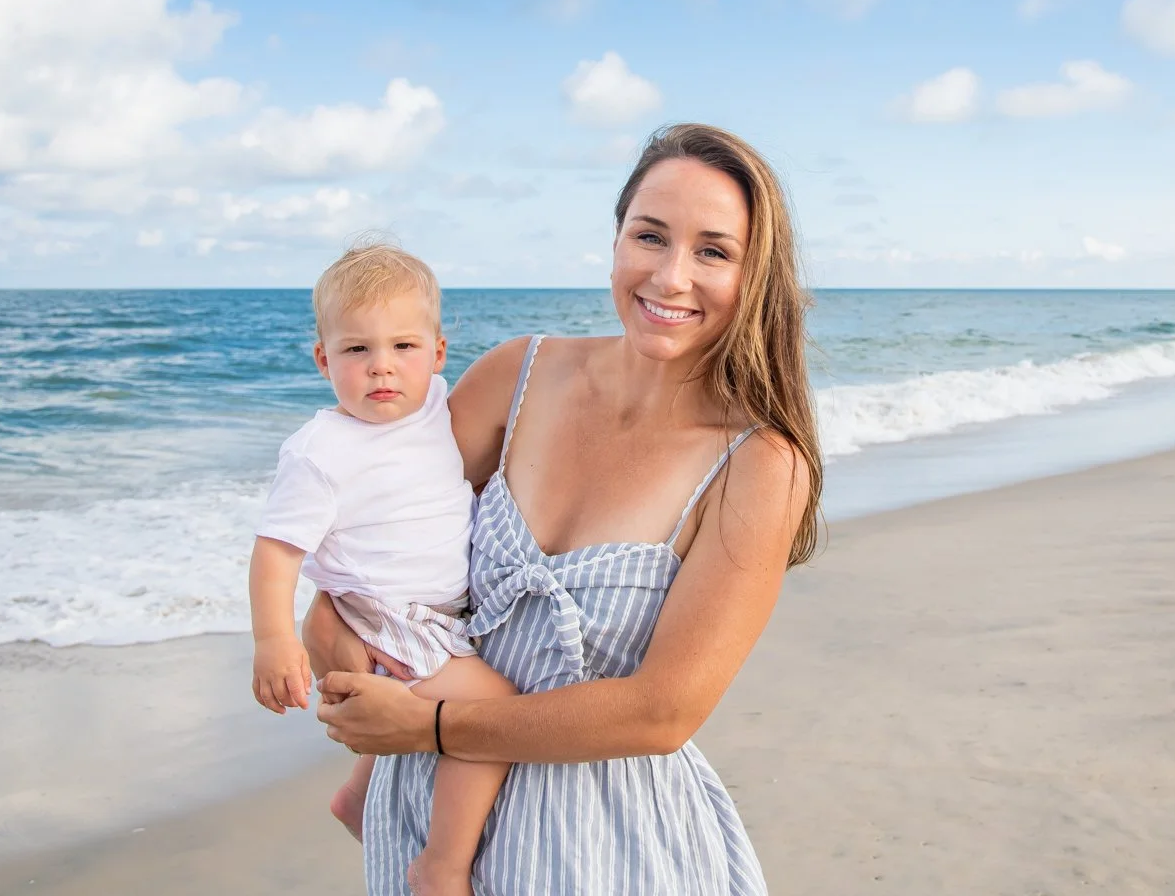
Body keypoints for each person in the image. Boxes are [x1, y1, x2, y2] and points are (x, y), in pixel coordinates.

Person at [304, 123, 826, 894]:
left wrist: (428, 725)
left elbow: (662, 713)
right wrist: (329, 636)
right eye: (650, 236)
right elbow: (377, 532)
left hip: (602, 844)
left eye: (713, 251)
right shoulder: (518, 376)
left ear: (755, 277)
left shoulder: (758, 465)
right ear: (616, 241)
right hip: (429, 826)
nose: (671, 277)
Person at [248, 243, 517, 896]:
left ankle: (358, 799)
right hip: (390, 615)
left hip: (440, 613)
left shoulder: (433, 406)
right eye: (356, 350)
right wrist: (275, 640)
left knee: (451, 712)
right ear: (323, 360)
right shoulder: (321, 453)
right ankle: (442, 864)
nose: (382, 367)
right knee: (495, 715)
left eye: (403, 346)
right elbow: (276, 552)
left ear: (438, 353)